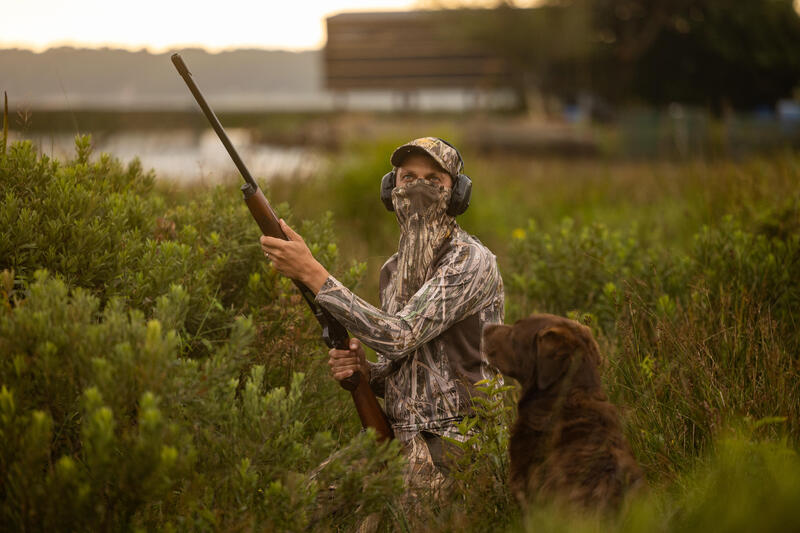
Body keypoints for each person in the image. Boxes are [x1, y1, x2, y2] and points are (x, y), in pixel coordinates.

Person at [259, 137, 504, 494]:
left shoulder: (470, 260)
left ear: (458, 194)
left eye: (434, 180)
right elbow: (406, 367)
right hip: (400, 436)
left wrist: (312, 273)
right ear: (391, 189)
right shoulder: (392, 271)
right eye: (408, 178)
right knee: (300, 504)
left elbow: (399, 335)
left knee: (373, 520)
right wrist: (366, 372)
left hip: (458, 441)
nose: (419, 187)